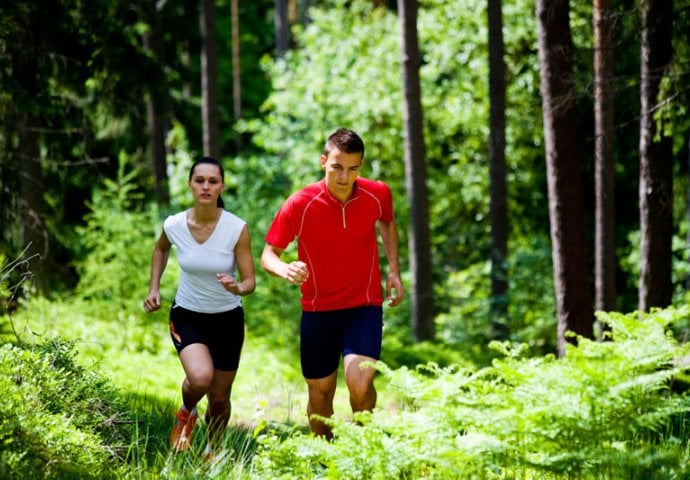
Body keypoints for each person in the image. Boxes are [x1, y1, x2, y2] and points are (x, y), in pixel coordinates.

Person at [261, 128, 404, 438]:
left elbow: (388, 222)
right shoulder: (300, 203)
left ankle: (363, 446)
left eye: (353, 168)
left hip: (363, 306)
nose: (344, 176)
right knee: (320, 397)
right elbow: (268, 254)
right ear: (323, 161)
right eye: (337, 167)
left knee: (360, 381)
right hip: (318, 310)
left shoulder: (376, 193)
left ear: (361, 166)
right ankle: (324, 458)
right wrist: (284, 269)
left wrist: (394, 270)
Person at [143, 156, 256, 457]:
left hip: (228, 319)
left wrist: (236, 286)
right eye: (200, 180)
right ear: (191, 184)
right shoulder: (175, 224)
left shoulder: (236, 228)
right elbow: (160, 249)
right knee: (201, 378)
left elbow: (249, 282)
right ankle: (186, 413)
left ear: (222, 186)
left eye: (213, 181)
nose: (206, 186)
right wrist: (154, 287)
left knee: (220, 398)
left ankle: (212, 450)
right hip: (188, 315)